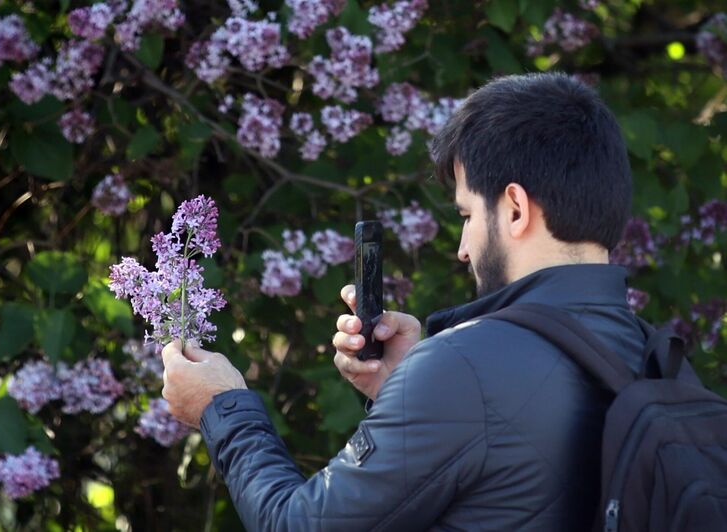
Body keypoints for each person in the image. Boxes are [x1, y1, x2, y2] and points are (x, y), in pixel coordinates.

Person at [161, 72, 643, 531]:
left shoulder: (465, 369)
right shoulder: (651, 355)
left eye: (466, 214)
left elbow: (296, 524)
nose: (462, 248)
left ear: (515, 209)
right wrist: (409, 387)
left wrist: (222, 406)